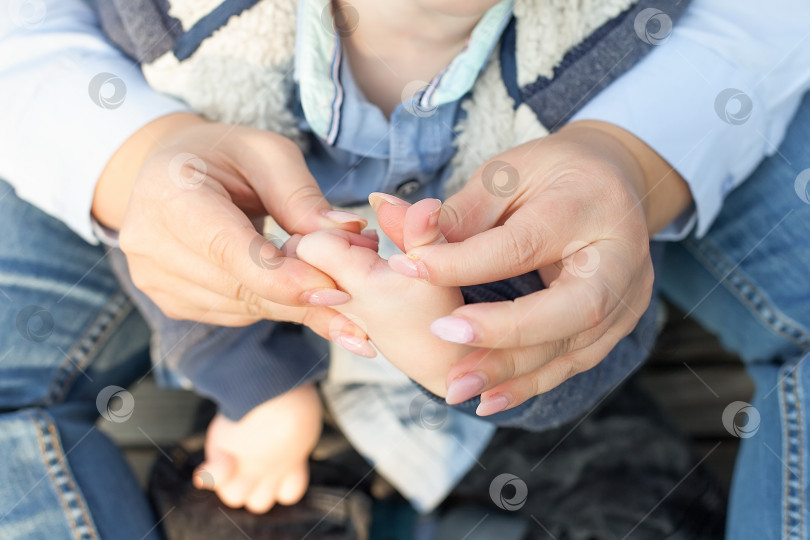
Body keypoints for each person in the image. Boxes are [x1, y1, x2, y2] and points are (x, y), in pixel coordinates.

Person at [0, 1, 807, 540]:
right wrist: (255, 385)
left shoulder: (604, 40)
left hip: (549, 402)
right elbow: (173, 232)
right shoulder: (188, 34)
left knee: (622, 492)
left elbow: (586, 327)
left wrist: (632, 163)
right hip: (254, 364)